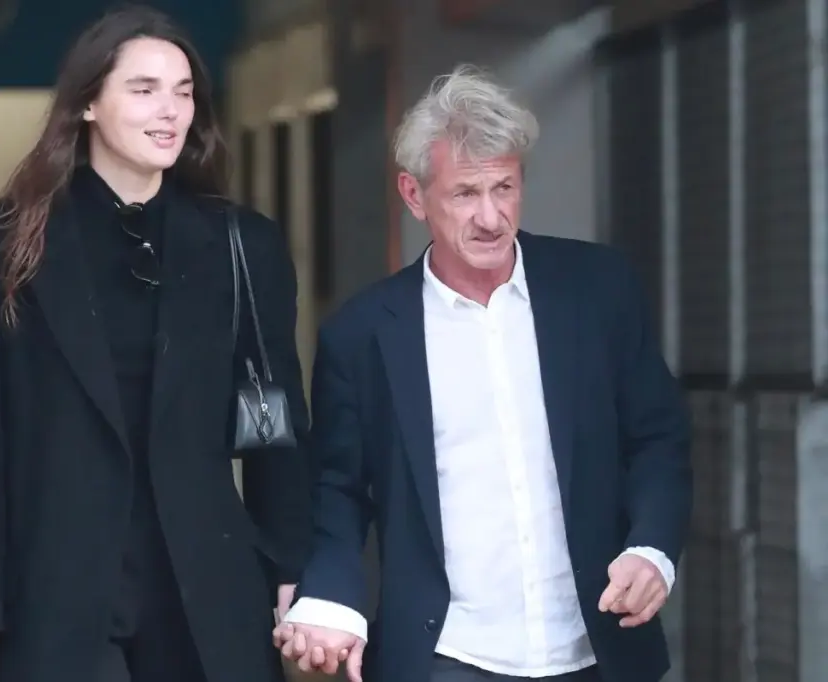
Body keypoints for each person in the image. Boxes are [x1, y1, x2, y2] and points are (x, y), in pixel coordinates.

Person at [0, 7, 310, 682]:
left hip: (206, 587)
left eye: (184, 91)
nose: (170, 111)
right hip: (54, 592)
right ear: (90, 105)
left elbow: (274, 417)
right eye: (144, 89)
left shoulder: (242, 245)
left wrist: (288, 560)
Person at [273, 65, 692, 682]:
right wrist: (332, 598)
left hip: (599, 646)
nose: (491, 217)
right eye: (466, 193)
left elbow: (657, 437)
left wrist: (652, 548)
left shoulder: (599, 290)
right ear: (414, 196)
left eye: (504, 188)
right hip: (450, 656)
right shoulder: (362, 334)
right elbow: (339, 489)